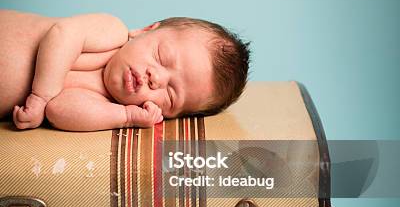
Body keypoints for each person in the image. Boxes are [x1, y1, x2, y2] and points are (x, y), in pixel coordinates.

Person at [0, 10, 250, 131]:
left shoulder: (103, 102)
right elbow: (62, 35)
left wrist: (126, 116)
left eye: (171, 95)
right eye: (161, 56)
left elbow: (58, 111)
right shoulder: (112, 32)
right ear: (145, 30)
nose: (156, 79)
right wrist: (41, 95)